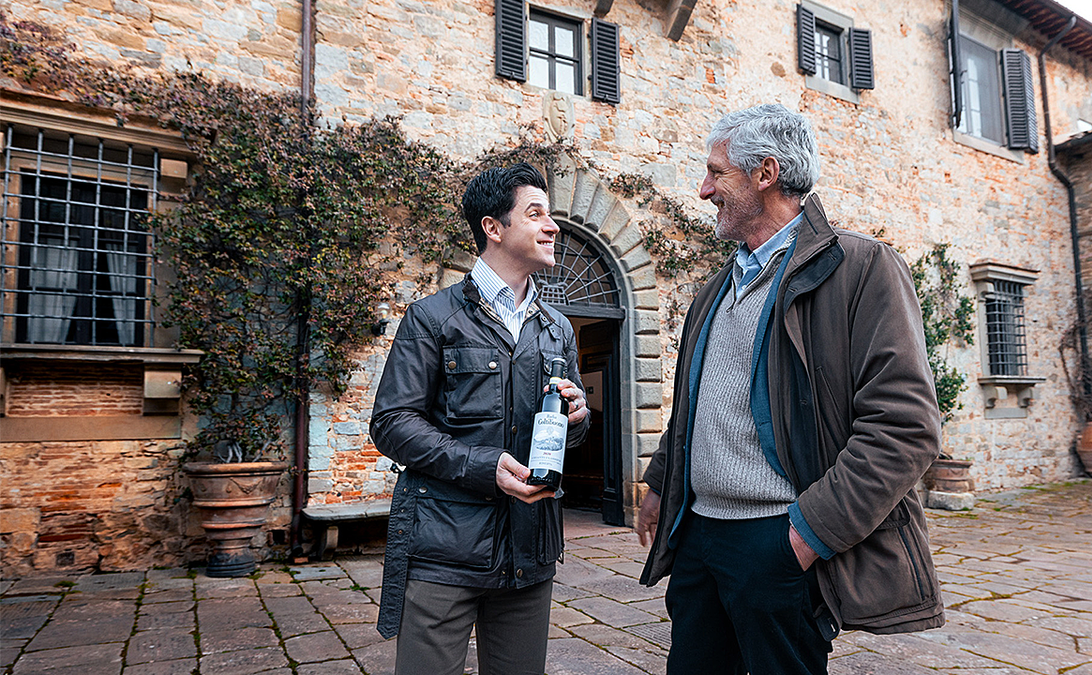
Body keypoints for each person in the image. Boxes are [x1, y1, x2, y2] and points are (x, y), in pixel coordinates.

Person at [636, 104, 945, 674]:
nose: (704, 190)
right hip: (700, 539)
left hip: (778, 540)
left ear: (765, 173)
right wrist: (660, 481)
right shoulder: (713, 290)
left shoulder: (861, 268)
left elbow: (906, 428)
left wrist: (804, 536)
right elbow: (696, 407)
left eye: (716, 173)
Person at [371, 162, 590, 675]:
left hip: (531, 549)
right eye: (535, 214)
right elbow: (392, 422)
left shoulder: (558, 329)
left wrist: (576, 419)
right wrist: (484, 466)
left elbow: (566, 437)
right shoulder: (432, 317)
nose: (553, 227)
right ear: (493, 227)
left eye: (551, 215)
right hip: (444, 550)